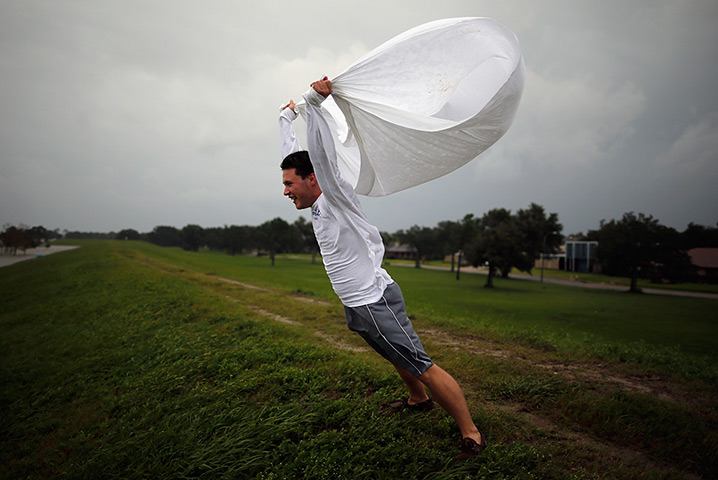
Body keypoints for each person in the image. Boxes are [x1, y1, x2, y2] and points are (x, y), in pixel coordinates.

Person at [279, 76, 486, 456]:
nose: (286, 190)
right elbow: (296, 158)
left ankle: (470, 431)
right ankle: (417, 400)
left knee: (420, 362)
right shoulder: (317, 202)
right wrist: (284, 120)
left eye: (290, 183)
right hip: (356, 303)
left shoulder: (336, 195)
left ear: (314, 180)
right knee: (396, 355)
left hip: (375, 299)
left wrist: (315, 107)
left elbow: (319, 157)